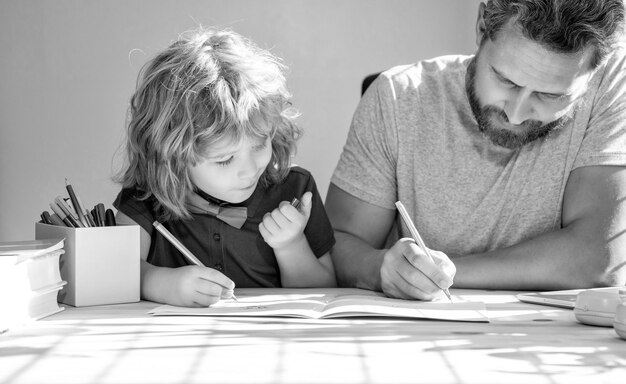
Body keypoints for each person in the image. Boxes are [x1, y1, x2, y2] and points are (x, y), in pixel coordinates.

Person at [326, 0, 626, 300]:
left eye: (551, 95)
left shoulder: (610, 86)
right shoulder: (396, 96)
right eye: (505, 80)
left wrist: (444, 274)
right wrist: (383, 269)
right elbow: (338, 244)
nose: (517, 115)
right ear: (482, 27)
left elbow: (599, 259)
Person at [113, 28, 336, 307]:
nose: (249, 170)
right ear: (171, 155)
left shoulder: (294, 188)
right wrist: (162, 284)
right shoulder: (146, 195)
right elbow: (115, 272)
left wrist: (291, 246)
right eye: (224, 160)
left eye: (259, 145)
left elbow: (326, 293)